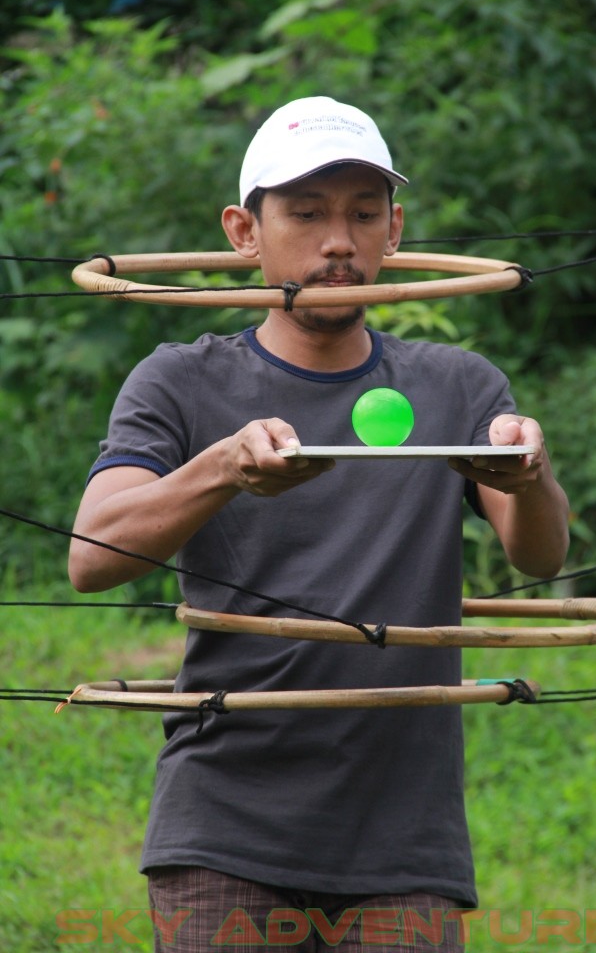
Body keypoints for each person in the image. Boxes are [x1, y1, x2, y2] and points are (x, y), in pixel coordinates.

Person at [68, 96, 570, 952]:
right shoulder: (178, 381)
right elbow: (93, 554)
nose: (337, 241)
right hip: (223, 823)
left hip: (405, 837)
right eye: (305, 213)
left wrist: (527, 474)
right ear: (243, 231)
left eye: (362, 214)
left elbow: (539, 558)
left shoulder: (459, 384)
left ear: (394, 230)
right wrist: (222, 466)